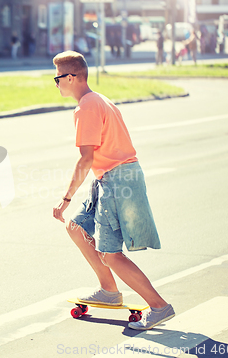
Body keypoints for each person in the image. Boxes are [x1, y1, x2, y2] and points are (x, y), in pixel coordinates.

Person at [52, 51, 175, 331]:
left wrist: (66, 197)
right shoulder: (98, 100)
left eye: (57, 78)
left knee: (110, 254)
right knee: (76, 227)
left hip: (117, 180)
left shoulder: (87, 107)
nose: (56, 84)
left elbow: (86, 159)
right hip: (109, 179)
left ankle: (159, 306)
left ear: (71, 77)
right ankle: (109, 290)